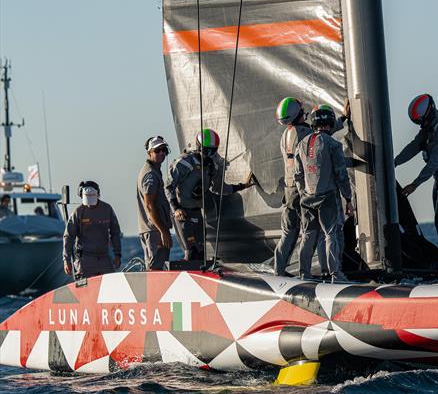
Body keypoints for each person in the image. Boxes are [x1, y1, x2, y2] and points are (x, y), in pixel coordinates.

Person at [273, 97, 349, 276]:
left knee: (290, 231)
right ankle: (328, 271)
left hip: (290, 189)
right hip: (306, 189)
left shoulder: (287, 134)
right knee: (321, 232)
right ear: (297, 114)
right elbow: (323, 135)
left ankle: (280, 271)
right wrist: (343, 118)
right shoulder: (305, 134)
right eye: (301, 111)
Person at [394, 93, 438, 279]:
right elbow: (414, 146)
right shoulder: (427, 127)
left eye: (422, 122)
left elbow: (435, 162)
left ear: (430, 112)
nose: (421, 126)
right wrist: (392, 162)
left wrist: (414, 185)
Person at [165, 129, 253, 261]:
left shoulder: (212, 167)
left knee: (201, 252)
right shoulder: (184, 163)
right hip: (182, 213)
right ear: (199, 147)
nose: (210, 155)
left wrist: (242, 186)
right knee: (191, 251)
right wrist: (176, 208)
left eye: (213, 151)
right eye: (207, 151)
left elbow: (220, 188)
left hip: (196, 213)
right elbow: (168, 186)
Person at [294, 104, 354, 281]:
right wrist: (348, 198)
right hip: (327, 197)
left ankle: (304, 274)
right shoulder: (333, 145)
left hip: (306, 198)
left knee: (308, 235)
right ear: (329, 122)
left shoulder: (302, 143)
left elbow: (297, 174)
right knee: (331, 235)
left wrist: (303, 192)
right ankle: (335, 274)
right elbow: (341, 175)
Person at [62, 181, 122, 279]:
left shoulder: (107, 209)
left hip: (104, 257)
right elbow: (68, 237)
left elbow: (115, 232)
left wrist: (117, 254)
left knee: (110, 283)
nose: (90, 205)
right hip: (85, 259)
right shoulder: (78, 212)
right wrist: (66, 260)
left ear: (98, 195)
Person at [137, 136, 173, 270]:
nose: (162, 153)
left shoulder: (155, 171)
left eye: (164, 150)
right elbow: (149, 205)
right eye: (157, 151)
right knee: (155, 269)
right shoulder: (150, 174)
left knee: (159, 269)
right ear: (149, 153)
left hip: (155, 230)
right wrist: (163, 231)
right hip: (154, 230)